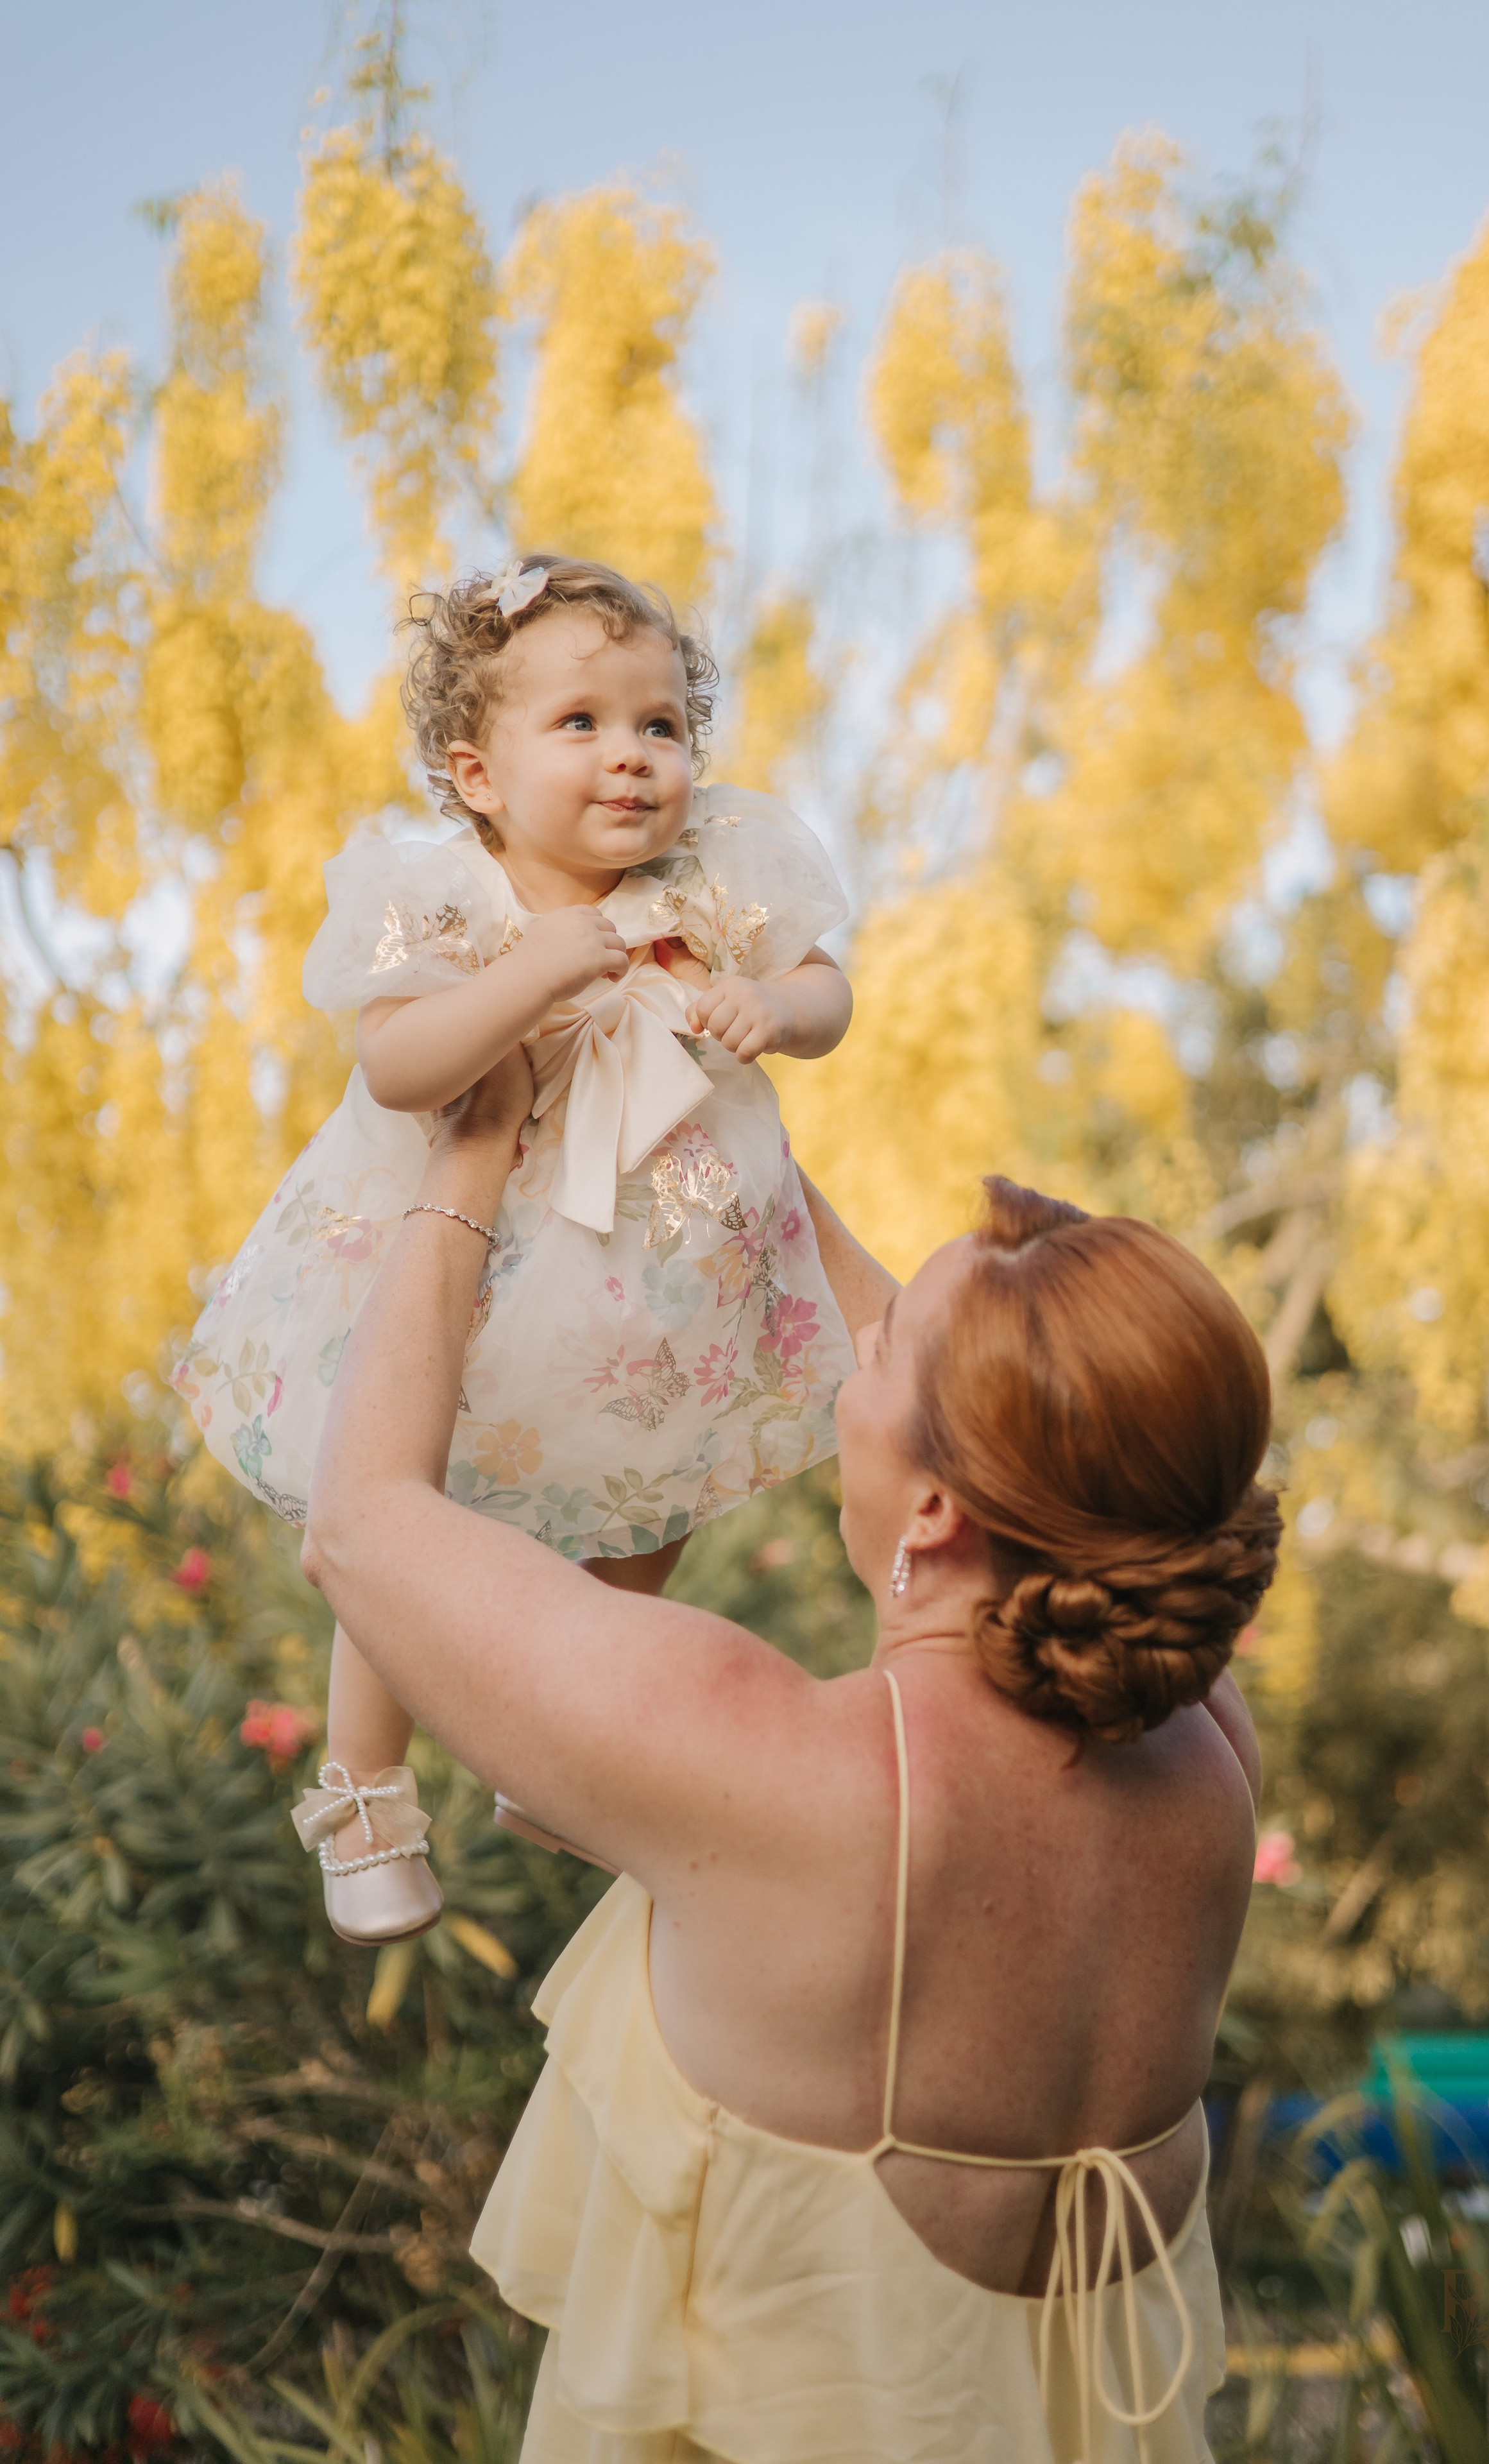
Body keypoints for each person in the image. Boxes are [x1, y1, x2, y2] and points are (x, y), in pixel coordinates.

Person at [298, 1045, 1279, 2464]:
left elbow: (363, 1522)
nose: (847, 1356)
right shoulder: (1206, 1761)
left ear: (935, 1511)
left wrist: (468, 1156)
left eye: (873, 1358)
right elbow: (1030, 1419)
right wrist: (717, 1121)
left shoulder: (769, 1763)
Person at [173, 553, 857, 1945]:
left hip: (657, 1278)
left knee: (660, 1497)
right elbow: (399, 1066)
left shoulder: (707, 873)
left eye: (660, 725)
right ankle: (363, 1790)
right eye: (584, 724)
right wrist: (529, 972)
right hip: (460, 1277)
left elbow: (829, 988)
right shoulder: (445, 897)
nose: (632, 758)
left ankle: (562, 1757)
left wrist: (771, 1008)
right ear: (477, 773)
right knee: (403, 1514)